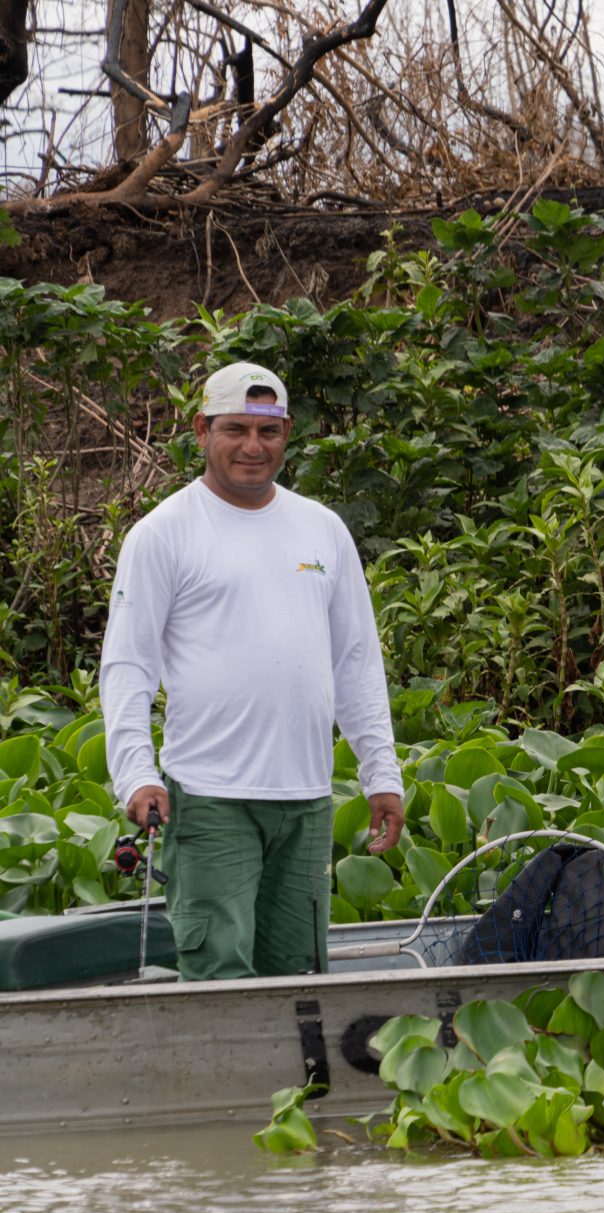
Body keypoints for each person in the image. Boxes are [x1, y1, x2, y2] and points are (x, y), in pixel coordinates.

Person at [101, 361, 405, 980]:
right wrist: (135, 774)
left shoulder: (323, 529)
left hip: (308, 800)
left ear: (287, 432)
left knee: (300, 977)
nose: (251, 447)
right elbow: (128, 665)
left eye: (267, 432)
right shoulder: (162, 534)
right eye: (234, 429)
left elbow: (356, 663)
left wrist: (383, 774)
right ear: (201, 430)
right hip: (211, 798)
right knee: (217, 972)